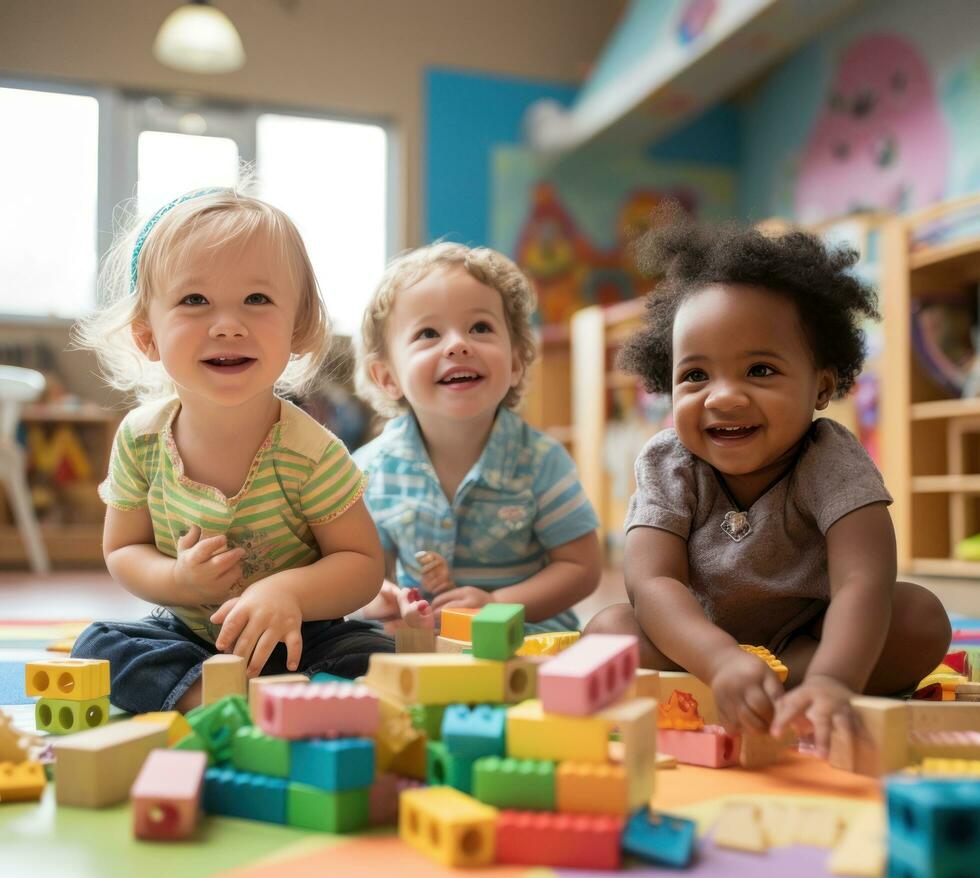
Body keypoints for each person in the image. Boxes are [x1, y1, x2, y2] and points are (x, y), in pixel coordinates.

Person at [585, 206, 950, 755]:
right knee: (610, 632)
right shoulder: (667, 461)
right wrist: (718, 659)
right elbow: (653, 584)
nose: (723, 396)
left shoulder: (831, 458)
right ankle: (740, 691)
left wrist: (834, 677)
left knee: (921, 617)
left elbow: (862, 581)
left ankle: (803, 694)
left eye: (760, 370)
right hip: (692, 645)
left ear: (821, 388)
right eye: (695, 375)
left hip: (810, 641)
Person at [71, 185, 392, 713]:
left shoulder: (311, 452)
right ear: (147, 335)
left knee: (378, 655)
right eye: (194, 301)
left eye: (257, 300)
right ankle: (233, 700)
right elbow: (123, 550)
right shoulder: (140, 438)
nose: (228, 324)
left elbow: (360, 565)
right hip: (192, 636)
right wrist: (177, 578)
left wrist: (287, 594)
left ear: (298, 327)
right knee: (99, 647)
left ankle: (267, 699)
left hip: (303, 639)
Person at [352, 242, 601, 634]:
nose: (457, 344)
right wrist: (381, 598)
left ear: (516, 361)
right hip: (422, 638)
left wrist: (497, 605)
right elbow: (365, 571)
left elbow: (581, 568)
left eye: (480, 327)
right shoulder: (370, 471)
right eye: (428, 333)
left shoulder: (540, 460)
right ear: (388, 377)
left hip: (523, 634)